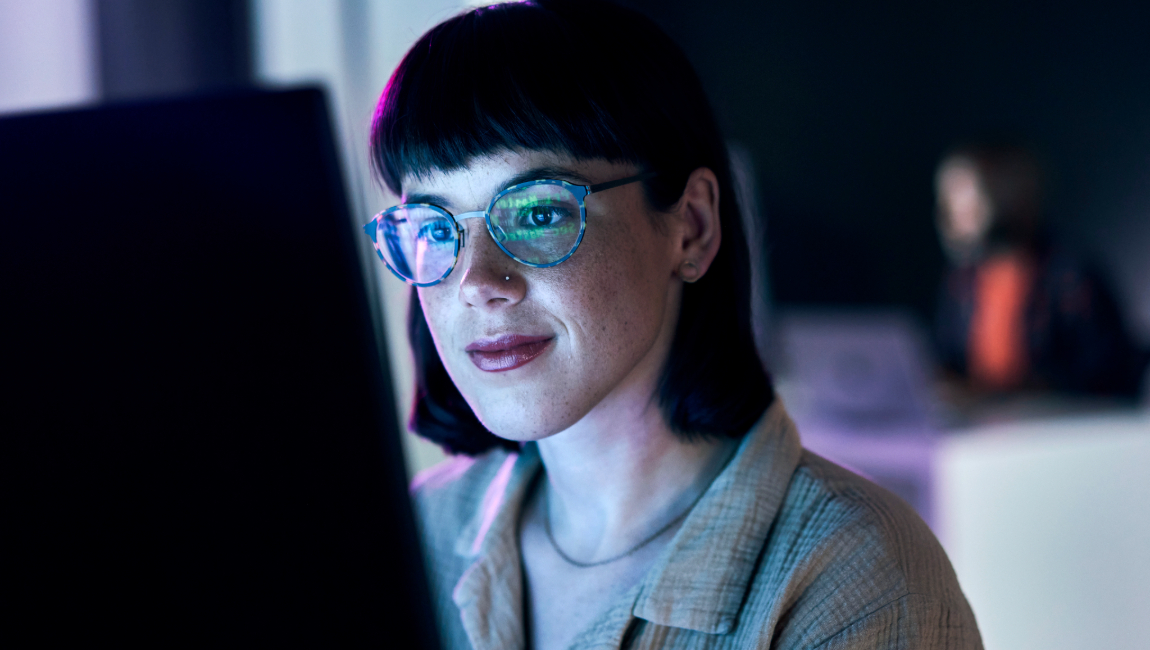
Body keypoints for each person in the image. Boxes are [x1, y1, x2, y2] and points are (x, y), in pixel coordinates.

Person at [365, 2, 982, 648]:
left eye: (538, 214)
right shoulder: (414, 538)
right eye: (435, 228)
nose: (477, 283)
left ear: (692, 227)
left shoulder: (851, 580)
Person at [934, 143, 1144, 396]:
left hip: (1060, 426)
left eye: (966, 198)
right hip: (988, 428)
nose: (954, 214)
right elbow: (949, 359)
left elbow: (1107, 370)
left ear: (1013, 194)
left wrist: (1022, 390)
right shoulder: (963, 282)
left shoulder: (1070, 275)